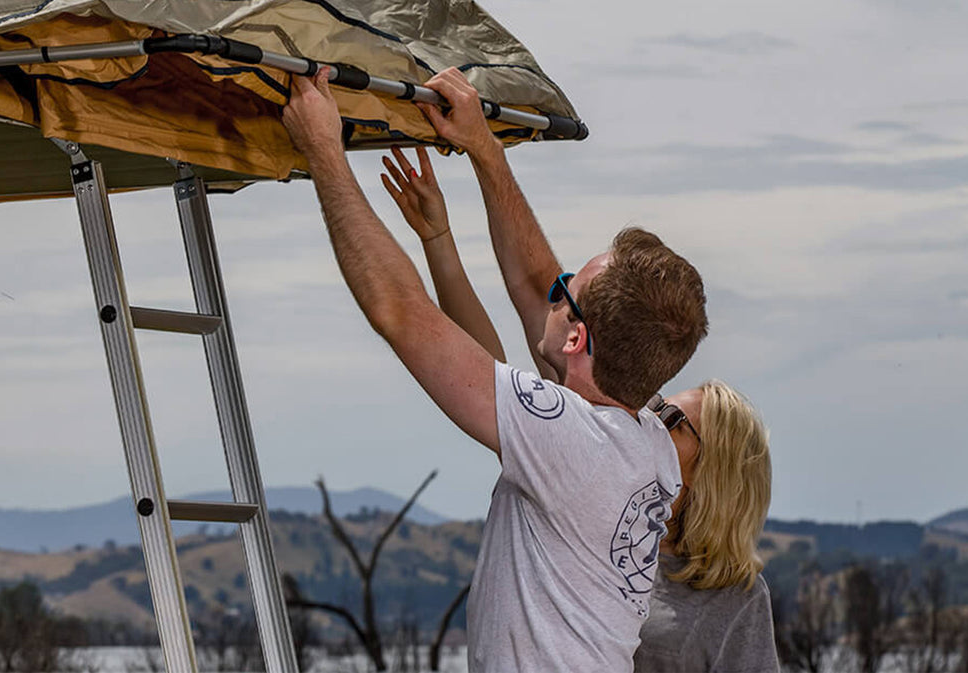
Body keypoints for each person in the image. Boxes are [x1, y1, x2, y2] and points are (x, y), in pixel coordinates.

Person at [283, 67, 710, 672]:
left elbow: (400, 312)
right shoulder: (641, 444)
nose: (552, 288)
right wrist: (479, 155)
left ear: (577, 337)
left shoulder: (577, 444)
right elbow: (513, 327)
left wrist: (324, 151)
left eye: (566, 290)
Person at [634, 384, 778, 673]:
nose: (650, 419)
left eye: (671, 418)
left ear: (710, 472)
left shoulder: (737, 596)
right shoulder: (597, 527)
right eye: (654, 405)